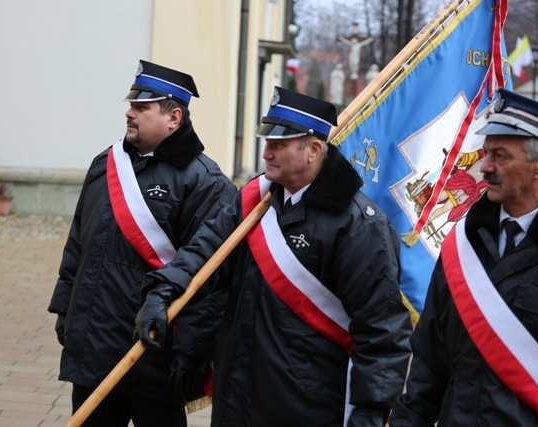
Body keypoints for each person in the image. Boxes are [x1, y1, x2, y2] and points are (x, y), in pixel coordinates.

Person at [135, 86, 413, 426]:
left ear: (313, 150)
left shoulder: (358, 225)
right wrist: (164, 289)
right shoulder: (255, 203)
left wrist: (369, 413)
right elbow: (204, 252)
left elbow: (381, 334)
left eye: (279, 144)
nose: (266, 152)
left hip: (305, 407)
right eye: (267, 141)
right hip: (238, 397)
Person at [389, 89, 538, 426]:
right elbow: (428, 366)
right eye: (486, 153)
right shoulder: (463, 243)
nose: (485, 167)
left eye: (500, 156)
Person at [48, 60, 237, 426]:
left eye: (141, 107)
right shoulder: (106, 163)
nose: (129, 113)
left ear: (174, 117)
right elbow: (78, 243)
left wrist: (193, 351)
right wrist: (65, 308)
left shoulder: (207, 183)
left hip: (154, 354)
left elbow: (212, 278)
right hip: (95, 347)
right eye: (131, 105)